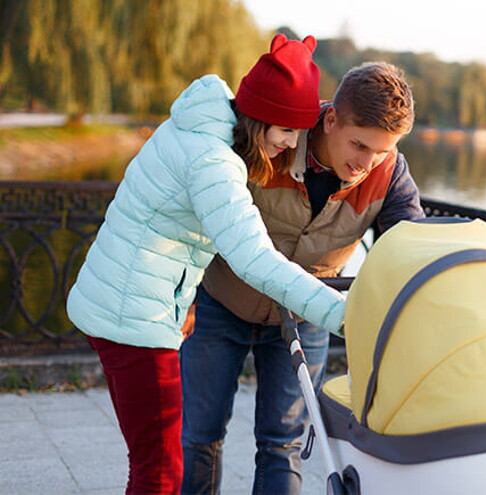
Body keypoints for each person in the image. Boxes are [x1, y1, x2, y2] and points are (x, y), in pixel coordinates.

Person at [65, 34, 345, 494]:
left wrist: (185, 299)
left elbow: (173, 231)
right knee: (159, 472)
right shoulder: (213, 162)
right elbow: (254, 259)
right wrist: (339, 315)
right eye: (288, 130)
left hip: (122, 304)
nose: (292, 143)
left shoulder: (198, 126)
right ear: (262, 119)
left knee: (154, 460)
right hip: (135, 321)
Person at [180, 61, 425, 494]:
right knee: (200, 437)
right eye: (359, 145)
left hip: (308, 312)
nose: (368, 163)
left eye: (382, 151)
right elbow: (199, 213)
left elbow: (411, 246)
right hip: (221, 303)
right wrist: (183, 294)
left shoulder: (389, 172)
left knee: (282, 444)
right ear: (330, 119)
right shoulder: (272, 137)